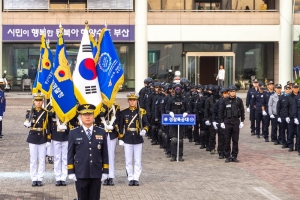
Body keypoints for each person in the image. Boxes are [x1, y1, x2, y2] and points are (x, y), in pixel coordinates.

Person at [67, 104, 109, 200]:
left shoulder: (101, 132)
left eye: (90, 114)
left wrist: (105, 171)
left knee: (95, 198)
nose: (87, 117)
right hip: (81, 172)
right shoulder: (74, 133)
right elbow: (70, 153)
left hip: (96, 171)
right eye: (84, 115)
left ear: (93, 116)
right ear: (80, 117)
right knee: (82, 197)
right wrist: (70, 171)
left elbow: (105, 153)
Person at [118, 92, 149, 186]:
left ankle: (136, 178)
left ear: (136, 101)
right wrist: (120, 138)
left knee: (137, 160)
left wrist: (144, 130)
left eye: (134, 100)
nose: (132, 102)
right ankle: (130, 178)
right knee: (128, 160)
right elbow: (120, 126)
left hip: (137, 138)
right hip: (127, 138)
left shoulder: (141, 112)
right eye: (131, 100)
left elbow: (146, 123)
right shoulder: (124, 112)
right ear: (128, 101)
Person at [23, 93, 50, 187]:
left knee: (42, 159)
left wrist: (48, 139)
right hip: (33, 136)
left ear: (42, 102)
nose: (38, 103)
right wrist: (27, 123)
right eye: (36, 101)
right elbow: (26, 121)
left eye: (40, 101)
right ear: (33, 101)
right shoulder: (30, 111)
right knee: (33, 159)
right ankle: (34, 178)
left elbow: (48, 127)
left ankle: (40, 178)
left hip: (42, 137)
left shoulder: (45, 112)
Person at [219, 85, 245, 163]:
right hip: (227, 122)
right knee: (227, 140)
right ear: (229, 92)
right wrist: (221, 122)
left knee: (235, 140)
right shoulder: (225, 100)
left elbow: (242, 111)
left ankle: (234, 156)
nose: (233, 93)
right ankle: (227, 156)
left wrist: (242, 121)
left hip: (236, 122)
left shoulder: (239, 100)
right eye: (231, 91)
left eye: (234, 91)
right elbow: (221, 111)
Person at [166, 84, 190, 161]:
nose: (178, 90)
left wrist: (186, 113)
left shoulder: (185, 99)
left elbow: (189, 110)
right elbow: (166, 109)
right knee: (173, 139)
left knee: (180, 139)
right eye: (176, 89)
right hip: (173, 121)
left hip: (181, 121)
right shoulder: (171, 99)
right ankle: (173, 155)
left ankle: (180, 155)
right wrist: (170, 113)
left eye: (179, 89)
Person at [48, 111, 69, 186]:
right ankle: (58, 177)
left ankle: (63, 178)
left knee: (65, 158)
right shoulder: (54, 106)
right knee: (57, 158)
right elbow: (50, 115)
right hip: (56, 135)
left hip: (66, 135)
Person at [283, 83, 299, 152]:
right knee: (290, 132)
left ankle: (298, 146)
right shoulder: (288, 97)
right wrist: (286, 116)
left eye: (297, 87)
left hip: (298, 117)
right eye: (294, 87)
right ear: (292, 88)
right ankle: (290, 146)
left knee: (298, 133)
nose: (295, 89)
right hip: (291, 117)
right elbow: (286, 107)